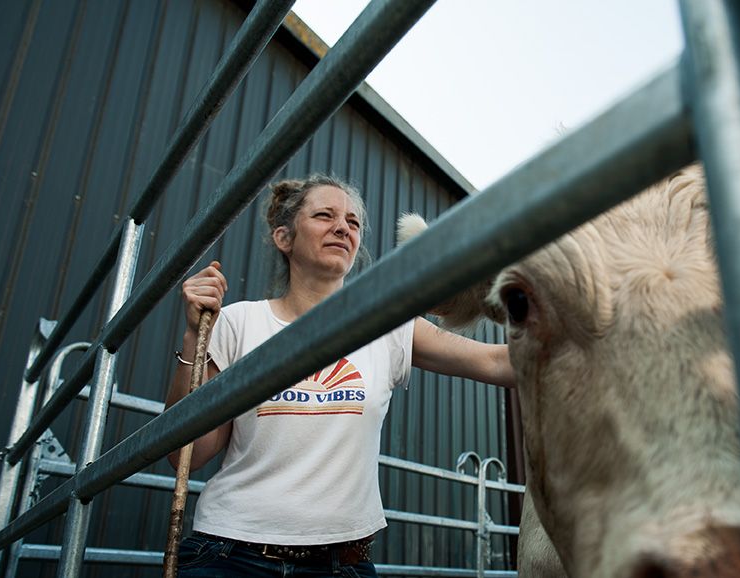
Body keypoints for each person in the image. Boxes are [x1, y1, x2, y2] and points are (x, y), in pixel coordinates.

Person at [166, 173, 514, 577]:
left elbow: (496, 362)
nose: (342, 227)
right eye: (324, 216)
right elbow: (187, 455)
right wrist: (196, 334)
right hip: (231, 554)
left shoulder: (388, 324)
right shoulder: (238, 321)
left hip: (340, 564)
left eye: (352, 222)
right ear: (284, 238)